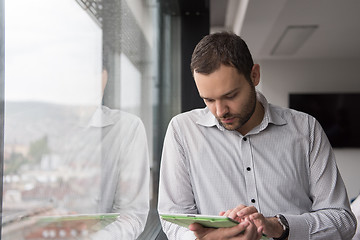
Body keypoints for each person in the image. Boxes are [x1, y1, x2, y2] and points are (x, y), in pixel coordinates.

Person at [157, 31, 356, 240]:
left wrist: (280, 226)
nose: (219, 111)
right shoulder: (182, 131)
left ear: (254, 75)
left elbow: (343, 220)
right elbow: (173, 219)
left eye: (230, 96)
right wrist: (202, 239)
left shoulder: (306, 129)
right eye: (208, 100)